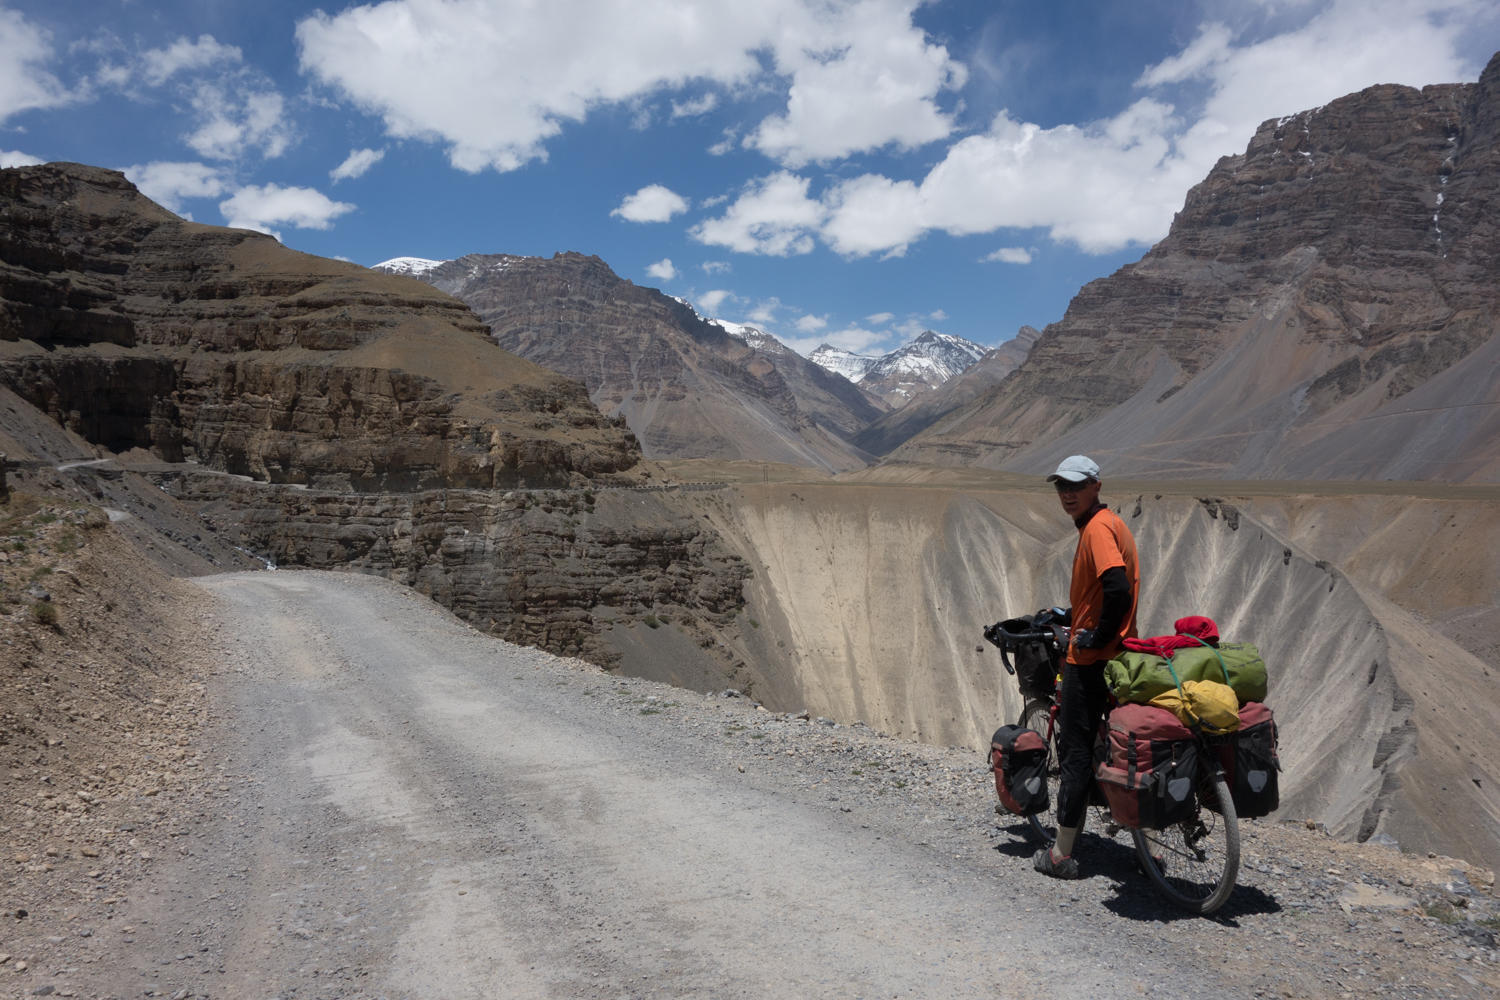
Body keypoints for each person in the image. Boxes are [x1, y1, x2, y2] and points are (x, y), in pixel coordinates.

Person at [1034, 454, 1140, 879]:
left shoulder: (1096, 529)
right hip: (1121, 658)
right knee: (1126, 748)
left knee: (1075, 753)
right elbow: (1105, 591)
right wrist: (1076, 614)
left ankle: (1061, 853)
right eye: (1061, 486)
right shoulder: (1112, 524)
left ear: (1096, 485)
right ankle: (1150, 848)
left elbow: (1116, 587)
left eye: (1076, 485)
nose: (1067, 493)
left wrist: (1097, 637)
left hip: (1091, 661)